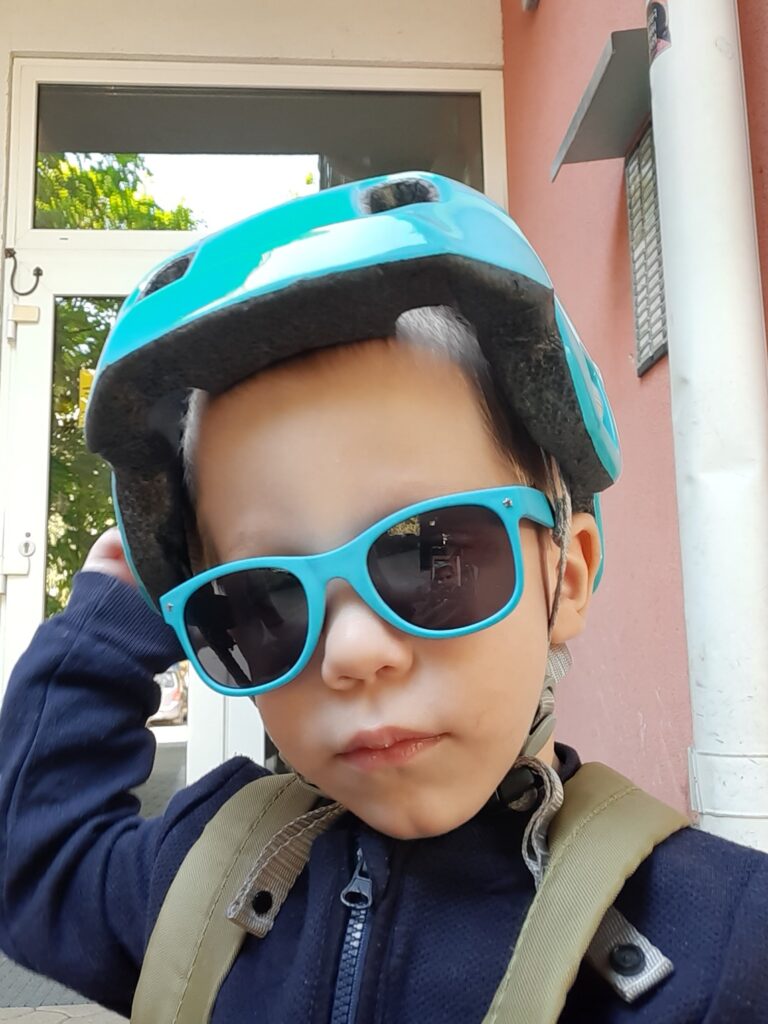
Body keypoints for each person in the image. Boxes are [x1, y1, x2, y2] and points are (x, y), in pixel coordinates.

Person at [0, 173, 766, 1023]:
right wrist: (110, 615)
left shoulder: (721, 944)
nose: (354, 653)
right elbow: (37, 860)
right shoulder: (204, 874)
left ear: (569, 575)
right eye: (260, 600)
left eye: (429, 556)